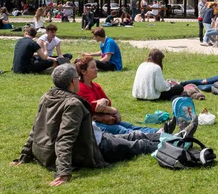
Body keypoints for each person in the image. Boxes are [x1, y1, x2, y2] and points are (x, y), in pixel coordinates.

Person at [12, 64, 196, 187]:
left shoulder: (48, 96)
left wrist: (24, 156)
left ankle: (176, 137)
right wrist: (63, 172)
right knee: (139, 145)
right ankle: (178, 142)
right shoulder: (72, 104)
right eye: (76, 77)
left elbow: (35, 129)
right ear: (72, 81)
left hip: (97, 136)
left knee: (133, 135)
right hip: (97, 147)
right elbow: (65, 138)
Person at [75, 56, 158, 134]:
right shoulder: (81, 88)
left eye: (96, 66)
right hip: (93, 123)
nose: (97, 69)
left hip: (104, 118)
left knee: (128, 126)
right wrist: (114, 111)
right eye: (93, 67)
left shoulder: (95, 85)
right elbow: (94, 107)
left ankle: (159, 131)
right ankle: (155, 136)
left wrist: (104, 101)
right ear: (83, 71)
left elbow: (108, 102)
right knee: (122, 130)